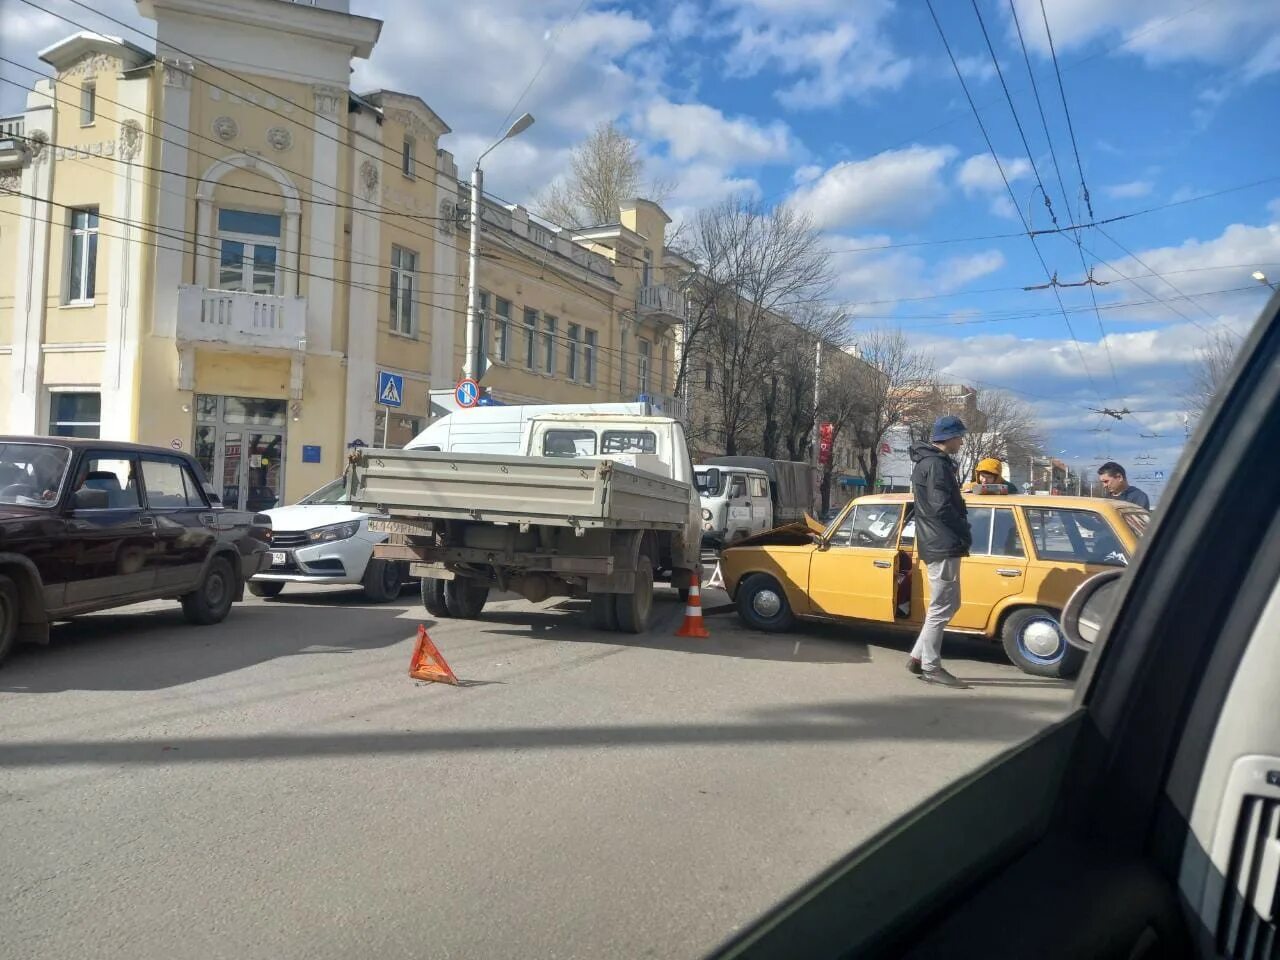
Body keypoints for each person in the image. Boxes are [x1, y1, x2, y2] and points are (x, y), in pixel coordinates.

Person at [907, 416, 973, 689]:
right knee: (941, 606)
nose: (961, 441)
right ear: (948, 437)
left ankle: (917, 656)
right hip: (942, 541)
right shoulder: (936, 464)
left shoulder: (931, 462)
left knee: (948, 604)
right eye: (959, 437)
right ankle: (931, 667)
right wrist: (964, 528)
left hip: (939, 541)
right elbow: (941, 507)